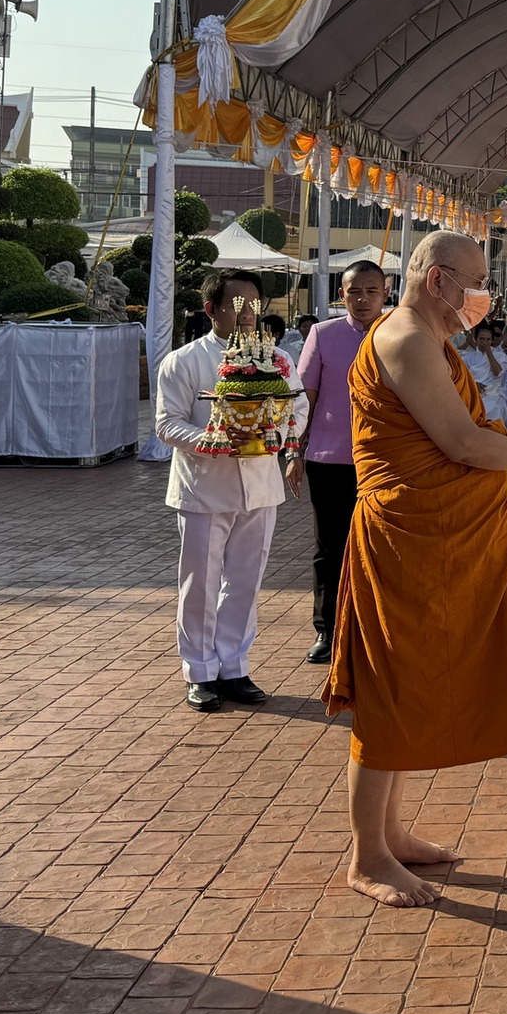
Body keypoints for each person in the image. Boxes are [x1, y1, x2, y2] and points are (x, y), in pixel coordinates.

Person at [323, 230, 507, 907]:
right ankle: (367, 856)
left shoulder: (431, 337)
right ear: (438, 281)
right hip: (405, 537)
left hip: (434, 536)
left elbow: (464, 439)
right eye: (476, 284)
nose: (484, 299)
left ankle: (390, 832)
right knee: (392, 690)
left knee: (413, 681)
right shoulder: (406, 340)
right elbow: (461, 442)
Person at [155, 270, 307, 710]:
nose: (247, 314)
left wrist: (278, 434)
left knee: (244, 580)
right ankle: (199, 670)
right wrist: (214, 439)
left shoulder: (277, 359)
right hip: (204, 486)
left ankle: (234, 666)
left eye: (254, 305)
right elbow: (166, 424)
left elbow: (297, 405)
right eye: (237, 304)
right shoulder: (183, 361)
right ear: (212, 310)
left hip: (260, 484)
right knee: (199, 581)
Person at [295, 261, 389, 666]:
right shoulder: (323, 334)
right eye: (355, 291)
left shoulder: (401, 335)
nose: (363, 299)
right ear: (342, 294)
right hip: (329, 459)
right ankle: (328, 631)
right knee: (330, 548)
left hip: (387, 461)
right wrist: (293, 453)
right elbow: (303, 402)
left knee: (384, 548)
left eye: (371, 291)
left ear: (386, 293)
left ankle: (380, 631)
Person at [458, 322, 507, 426]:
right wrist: (474, 384)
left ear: (492, 340)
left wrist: (489, 353)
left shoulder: (500, 356)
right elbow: (463, 378)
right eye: (482, 339)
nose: (485, 342)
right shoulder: (468, 357)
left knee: (496, 409)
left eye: (488, 340)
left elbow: (498, 373)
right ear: (475, 339)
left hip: (493, 393)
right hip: (472, 391)